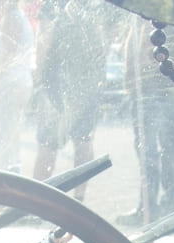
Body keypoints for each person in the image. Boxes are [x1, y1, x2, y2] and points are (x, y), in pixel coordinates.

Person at [30, 0, 108, 192]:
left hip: (56, 85)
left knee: (48, 144)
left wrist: (38, 77)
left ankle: (38, 199)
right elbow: (103, 44)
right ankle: (79, 199)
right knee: (83, 141)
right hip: (88, 84)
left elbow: (44, 40)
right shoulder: (95, 5)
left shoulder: (53, 4)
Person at [121, 18, 174, 225]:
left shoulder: (152, 12)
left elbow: (148, 47)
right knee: (164, 144)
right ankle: (166, 202)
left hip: (151, 84)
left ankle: (150, 206)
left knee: (150, 148)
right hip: (160, 83)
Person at [0, 0, 34, 172]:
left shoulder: (12, 18)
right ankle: (7, 177)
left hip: (6, 87)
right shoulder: (14, 17)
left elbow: (9, 53)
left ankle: (8, 180)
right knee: (6, 138)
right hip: (11, 85)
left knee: (5, 141)